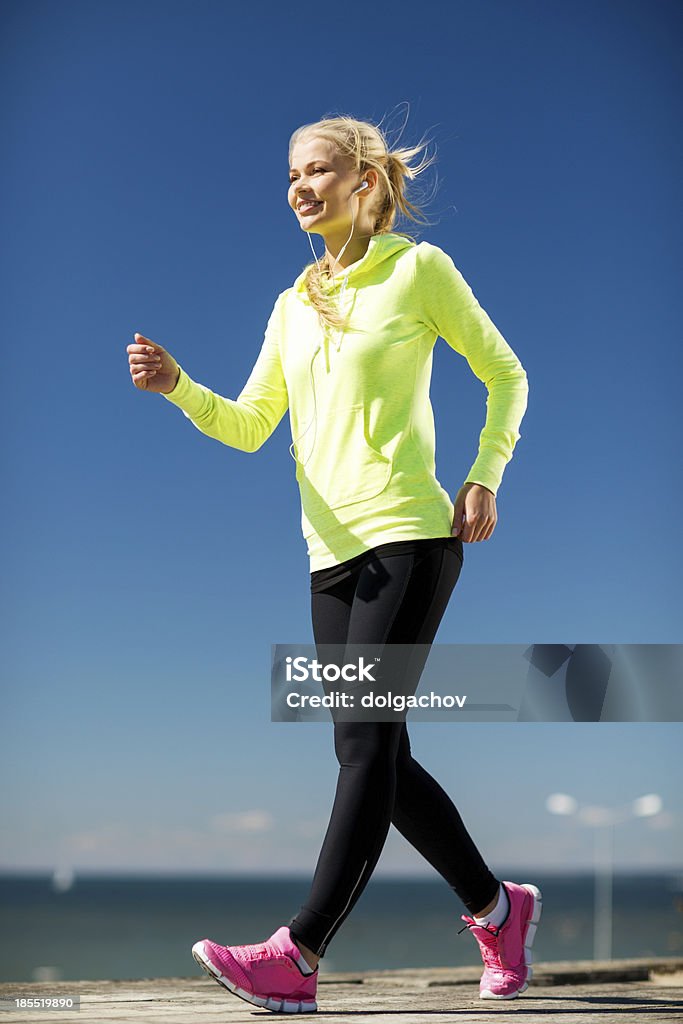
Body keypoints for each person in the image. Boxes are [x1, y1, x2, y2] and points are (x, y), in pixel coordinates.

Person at [126, 113, 539, 1014]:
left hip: (410, 535)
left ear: (364, 180)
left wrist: (484, 475)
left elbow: (504, 373)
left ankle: (298, 953)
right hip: (329, 552)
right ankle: (497, 909)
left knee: (361, 747)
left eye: (317, 170)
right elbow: (248, 428)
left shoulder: (418, 271)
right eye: (289, 176)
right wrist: (178, 388)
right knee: (374, 751)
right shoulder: (288, 304)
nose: (299, 187)